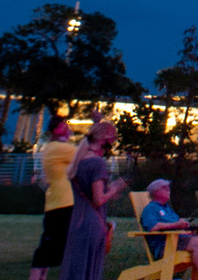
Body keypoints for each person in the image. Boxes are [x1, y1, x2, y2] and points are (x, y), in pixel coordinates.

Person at [58, 119, 126, 280]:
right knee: (89, 270)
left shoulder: (77, 162)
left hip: (76, 221)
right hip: (91, 223)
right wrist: (115, 188)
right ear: (105, 141)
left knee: (75, 269)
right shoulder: (97, 163)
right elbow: (98, 200)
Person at [139, 177, 198, 280]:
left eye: (168, 188)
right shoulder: (150, 209)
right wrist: (177, 225)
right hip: (166, 245)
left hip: (180, 240)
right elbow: (154, 227)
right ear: (156, 192)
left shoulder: (167, 208)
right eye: (165, 188)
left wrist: (185, 227)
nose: (168, 190)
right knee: (197, 242)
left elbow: (177, 223)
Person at [28, 115, 77, 280]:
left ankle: (41, 276)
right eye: (65, 126)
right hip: (61, 203)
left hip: (61, 202)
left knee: (54, 245)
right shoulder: (57, 148)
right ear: (57, 130)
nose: (68, 129)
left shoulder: (55, 148)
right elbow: (84, 154)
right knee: (49, 246)